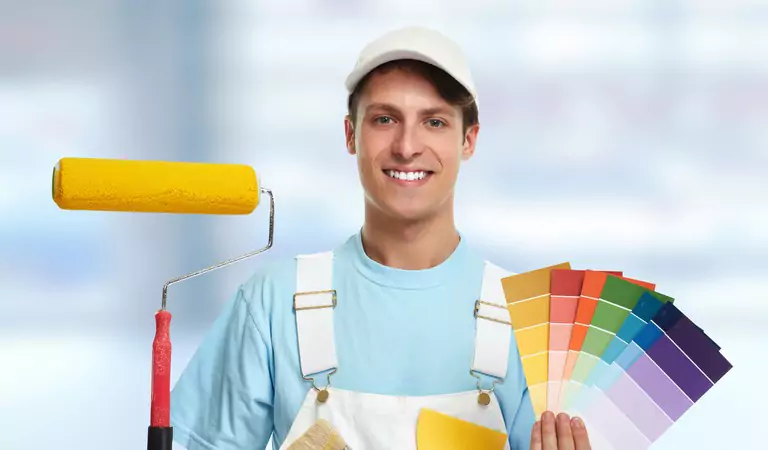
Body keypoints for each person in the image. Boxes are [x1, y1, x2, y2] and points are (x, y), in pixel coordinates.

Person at [169, 26, 592, 450]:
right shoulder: (274, 303)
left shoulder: (531, 323)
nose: (407, 146)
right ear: (351, 133)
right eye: (384, 119)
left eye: (435, 121)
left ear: (468, 139)